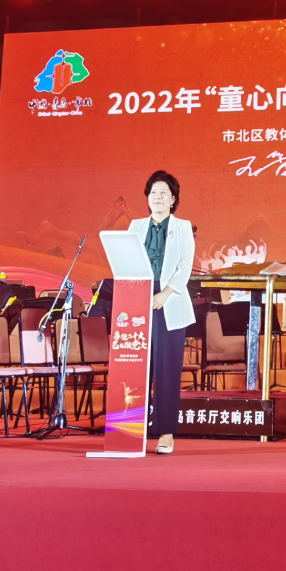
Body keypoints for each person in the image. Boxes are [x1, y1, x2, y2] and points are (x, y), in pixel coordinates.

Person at [128, 169, 194, 454]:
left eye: (163, 193)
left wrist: (164, 294)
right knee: (136, 366)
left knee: (166, 369)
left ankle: (166, 433)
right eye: (153, 193)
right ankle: (133, 430)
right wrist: (137, 294)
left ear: (173, 199)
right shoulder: (135, 226)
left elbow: (185, 267)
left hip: (170, 301)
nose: (157, 197)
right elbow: (126, 261)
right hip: (137, 300)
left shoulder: (183, 227)